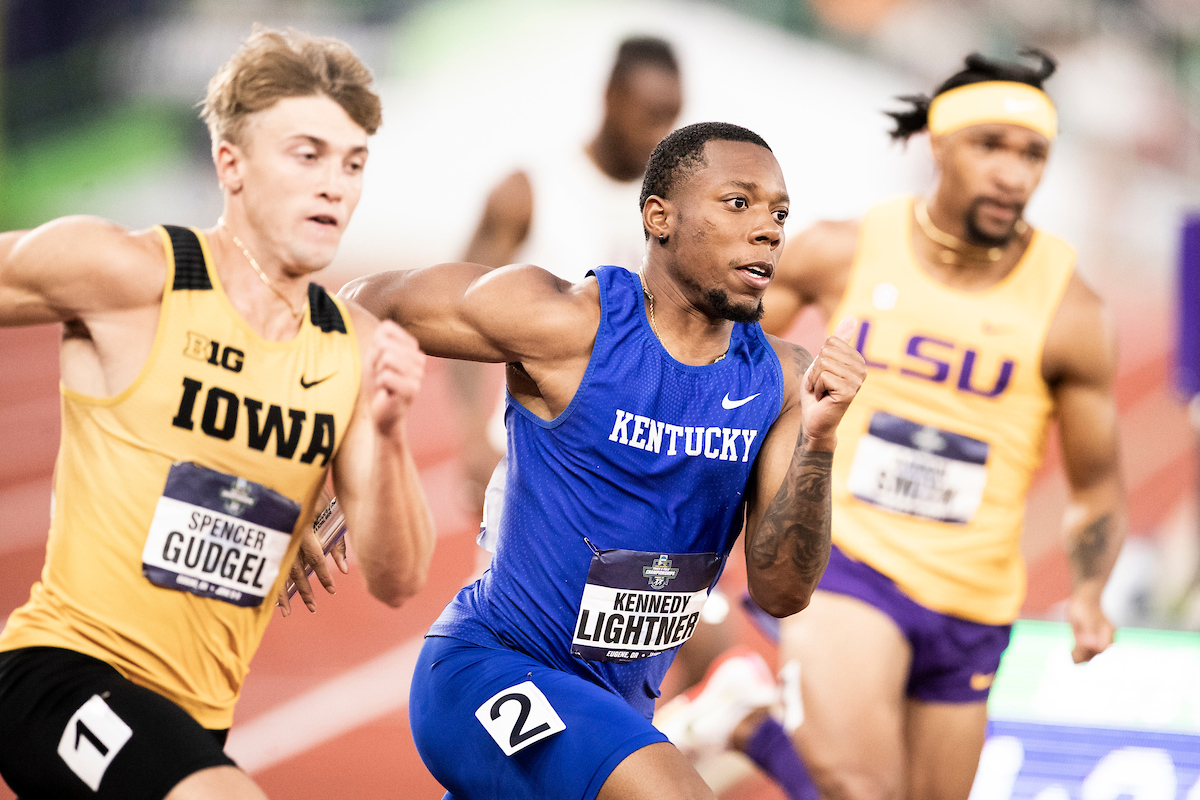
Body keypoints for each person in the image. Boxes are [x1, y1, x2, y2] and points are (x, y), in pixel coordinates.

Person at [340, 121, 867, 800]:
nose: (768, 228)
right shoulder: (571, 327)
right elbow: (362, 304)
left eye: (779, 212)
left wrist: (820, 441)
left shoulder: (781, 386)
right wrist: (345, 454)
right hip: (490, 673)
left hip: (614, 708)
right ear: (660, 218)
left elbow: (781, 593)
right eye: (738, 203)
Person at [661, 51, 1127, 800]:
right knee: (860, 791)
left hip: (975, 597)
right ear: (939, 144)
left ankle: (749, 717)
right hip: (849, 562)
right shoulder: (845, 251)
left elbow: (1097, 486)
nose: (1013, 173)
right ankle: (753, 717)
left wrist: (1089, 590)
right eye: (990, 146)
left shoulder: (1072, 311)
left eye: (1033, 153)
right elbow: (720, 357)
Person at [0, 28, 435, 800]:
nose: (335, 185)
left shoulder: (354, 351)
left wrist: (393, 435)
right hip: (61, 675)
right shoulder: (131, 276)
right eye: (307, 155)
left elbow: (399, 579)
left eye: (353, 162)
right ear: (231, 164)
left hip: (195, 720)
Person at [454, 36, 685, 512]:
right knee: (501, 587)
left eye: (670, 115)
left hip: (627, 459)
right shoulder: (530, 191)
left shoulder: (675, 210)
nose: (659, 133)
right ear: (610, 97)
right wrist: (471, 430)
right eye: (648, 113)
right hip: (527, 452)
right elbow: (460, 309)